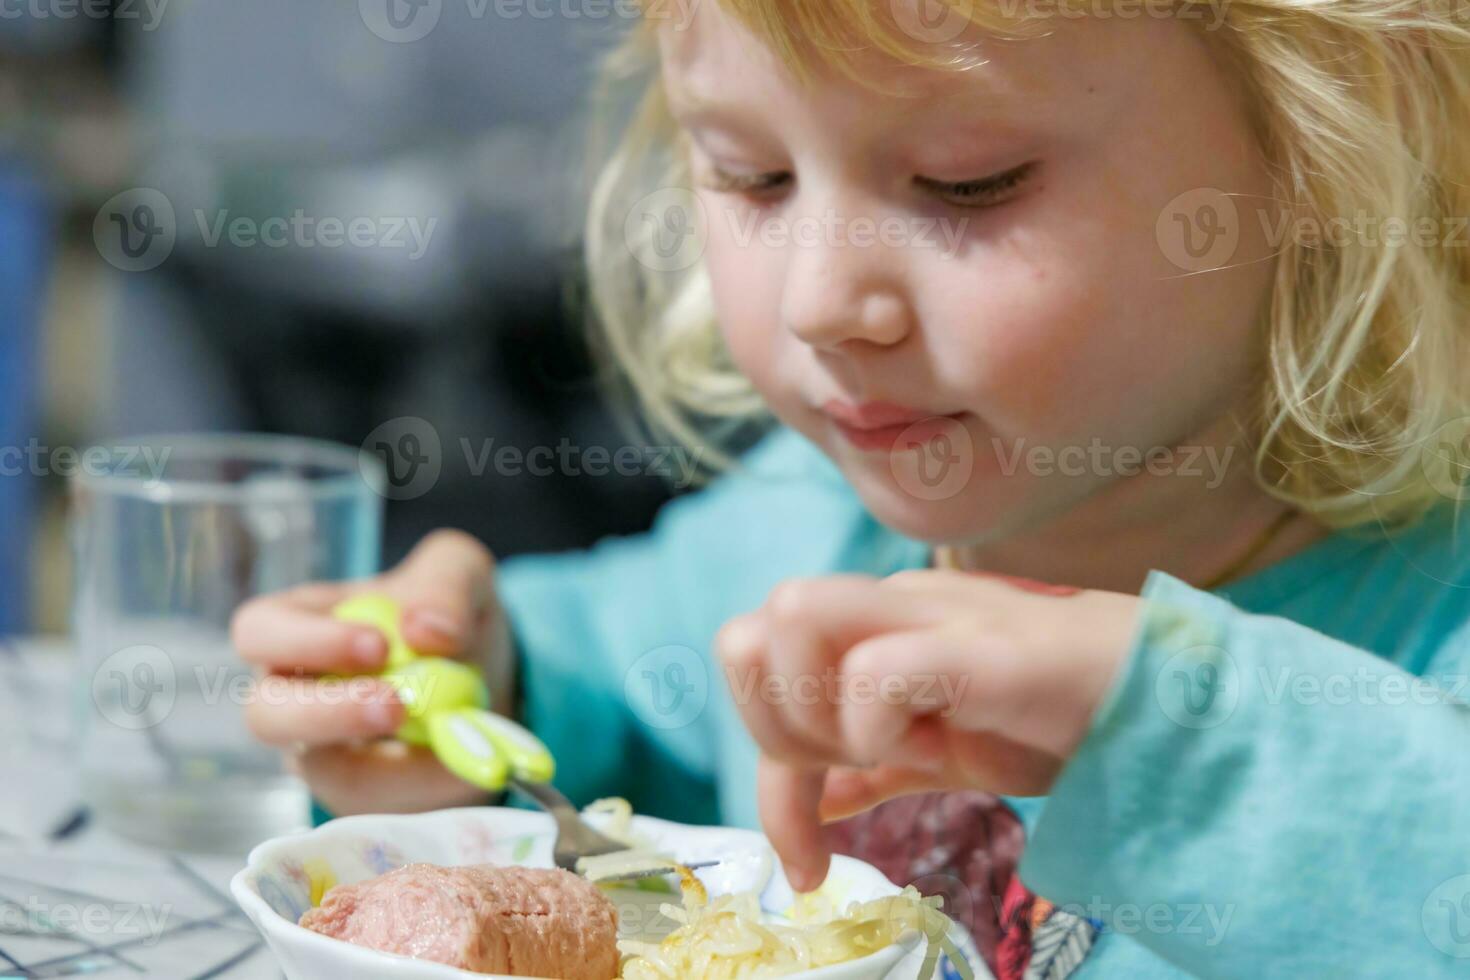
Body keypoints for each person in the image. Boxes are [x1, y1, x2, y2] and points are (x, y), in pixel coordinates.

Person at [231, 1, 1470, 975]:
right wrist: (475, 691)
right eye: (754, 176)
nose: (823, 300)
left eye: (967, 181)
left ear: (1332, 157)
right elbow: (623, 681)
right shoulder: (809, 527)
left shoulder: (1434, 627)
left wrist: (1164, 728)